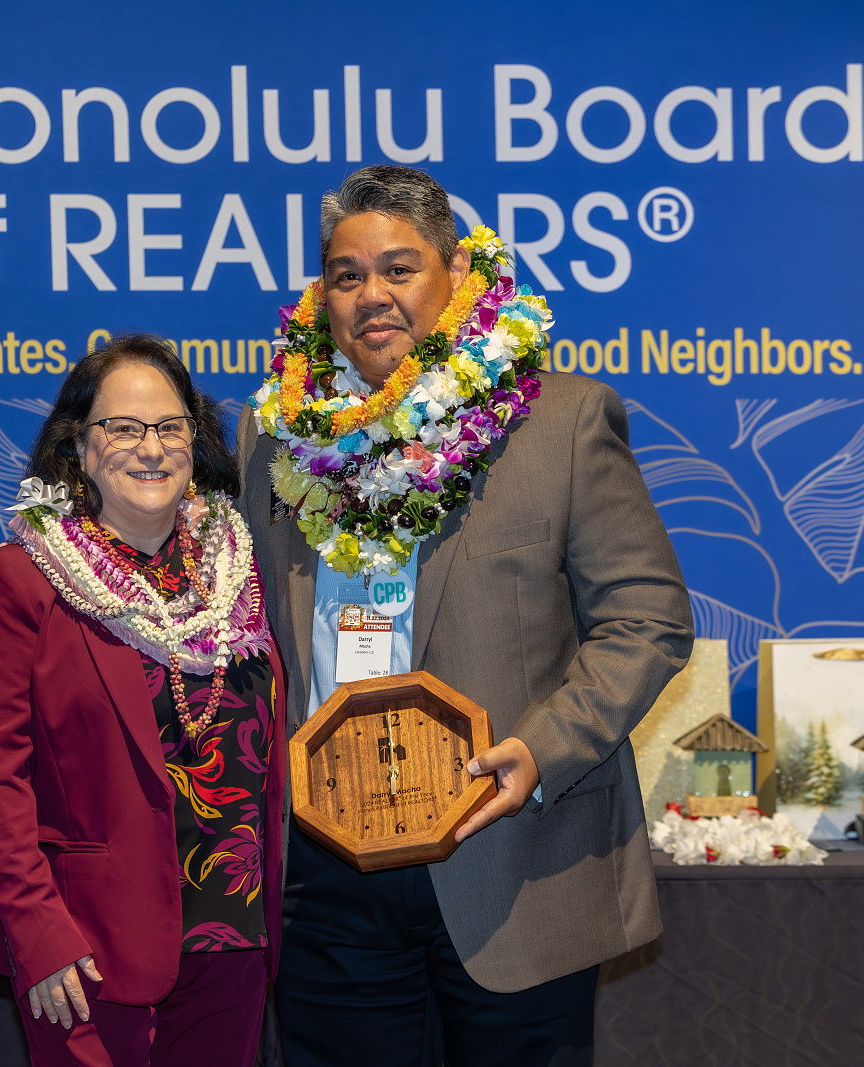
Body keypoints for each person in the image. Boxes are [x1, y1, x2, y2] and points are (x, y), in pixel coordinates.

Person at [241, 164, 694, 1065]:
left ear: (456, 272)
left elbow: (648, 616)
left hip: (512, 857)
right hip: (326, 877)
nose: (372, 295)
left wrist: (543, 748)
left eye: (399, 269)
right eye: (346, 274)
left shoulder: (559, 420)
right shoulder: (274, 436)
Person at [0, 334, 286, 1067]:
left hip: (233, 939)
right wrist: (38, 932)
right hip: (90, 947)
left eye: (171, 427)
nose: (151, 447)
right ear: (79, 444)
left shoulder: (242, 570)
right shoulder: (29, 578)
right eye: (124, 427)